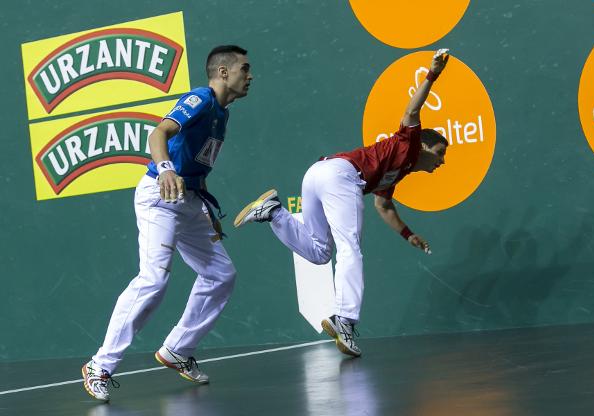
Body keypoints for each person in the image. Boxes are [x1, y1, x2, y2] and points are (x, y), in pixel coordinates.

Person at [233, 49, 450, 358]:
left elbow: (384, 207)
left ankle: (274, 212)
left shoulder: (396, 174)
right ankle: (345, 319)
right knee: (350, 247)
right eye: (440, 152)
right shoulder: (409, 144)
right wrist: (432, 74)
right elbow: (411, 113)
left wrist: (407, 234)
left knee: (321, 252)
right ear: (425, 145)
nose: (441, 161)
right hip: (341, 175)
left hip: (317, 175)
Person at [82, 45, 253, 401]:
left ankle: (177, 349)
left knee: (222, 274)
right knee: (154, 279)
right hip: (159, 197)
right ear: (223, 73)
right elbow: (158, 134)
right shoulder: (200, 99)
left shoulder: (223, 113)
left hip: (189, 200)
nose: (250, 76)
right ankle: (100, 365)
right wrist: (165, 170)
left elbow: (198, 167)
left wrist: (206, 211)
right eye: (244, 69)